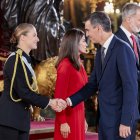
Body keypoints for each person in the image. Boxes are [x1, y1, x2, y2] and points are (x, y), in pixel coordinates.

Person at [64, 12, 139, 140]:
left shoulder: (122, 48)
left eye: (88, 30)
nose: (87, 35)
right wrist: (69, 101)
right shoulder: (100, 51)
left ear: (98, 28)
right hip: (105, 120)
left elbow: (130, 87)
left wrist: (126, 121)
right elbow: (92, 84)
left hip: (121, 121)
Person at [0, 23, 66, 140]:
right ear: (23, 37)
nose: (38, 39)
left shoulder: (25, 59)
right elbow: (24, 92)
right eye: (34, 35)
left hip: (20, 120)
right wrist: (50, 102)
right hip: (10, 121)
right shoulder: (16, 60)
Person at [54, 28, 88, 140]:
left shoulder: (79, 64)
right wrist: (62, 122)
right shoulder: (65, 65)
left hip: (79, 114)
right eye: (83, 41)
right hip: (68, 117)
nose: (86, 43)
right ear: (74, 43)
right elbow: (59, 96)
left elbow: (81, 93)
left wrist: (84, 119)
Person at [115, 3, 140, 113]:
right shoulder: (115, 40)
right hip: (122, 103)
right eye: (139, 20)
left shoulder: (137, 39)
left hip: (136, 102)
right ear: (128, 19)